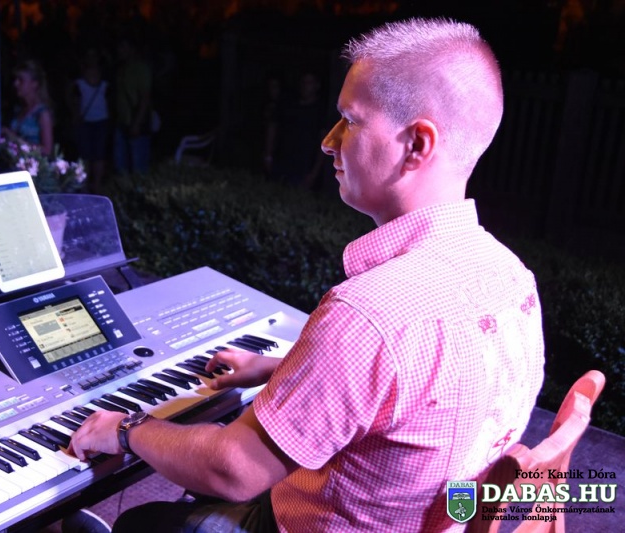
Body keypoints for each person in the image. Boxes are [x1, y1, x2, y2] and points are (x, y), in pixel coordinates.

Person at [65, 18, 545, 532]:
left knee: (144, 522)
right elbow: (422, 393)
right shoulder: (513, 277)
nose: (328, 141)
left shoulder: (369, 314)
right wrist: (279, 369)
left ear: (417, 144)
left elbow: (233, 469)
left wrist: (128, 428)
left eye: (350, 121)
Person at [264, 71, 328, 189]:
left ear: (317, 86)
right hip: (282, 162)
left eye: (309, 82)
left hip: (304, 167)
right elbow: (273, 127)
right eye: (303, 82)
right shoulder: (289, 105)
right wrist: (268, 156)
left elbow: (324, 142)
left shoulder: (320, 111)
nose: (305, 86)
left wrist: (314, 173)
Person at [70, 48, 110, 192]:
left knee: (99, 155)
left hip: (102, 120)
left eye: (94, 56)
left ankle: (97, 185)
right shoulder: (78, 81)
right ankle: (85, 185)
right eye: (89, 56)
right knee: (85, 155)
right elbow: (74, 101)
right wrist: (75, 117)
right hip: (85, 121)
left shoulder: (105, 79)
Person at [112, 34, 152, 175]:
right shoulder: (121, 69)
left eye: (123, 47)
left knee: (138, 166)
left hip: (136, 122)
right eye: (119, 47)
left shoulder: (141, 68)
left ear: (132, 49)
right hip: (121, 122)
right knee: (120, 164)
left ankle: (139, 188)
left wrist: (137, 123)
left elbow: (145, 98)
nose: (119, 50)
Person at [3, 59, 54, 156]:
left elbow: (47, 150)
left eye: (21, 80)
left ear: (34, 84)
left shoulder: (42, 113)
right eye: (16, 80)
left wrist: (16, 140)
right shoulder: (18, 110)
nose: (16, 84)